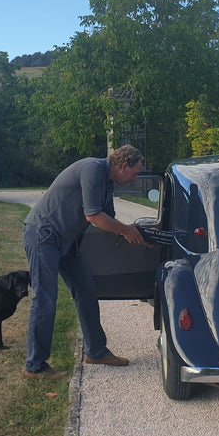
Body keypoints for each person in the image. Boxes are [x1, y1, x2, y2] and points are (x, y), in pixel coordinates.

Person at [22, 145, 147, 379]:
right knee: (45, 298)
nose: (134, 179)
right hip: (42, 235)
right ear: (123, 166)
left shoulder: (108, 183)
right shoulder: (93, 169)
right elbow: (93, 216)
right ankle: (34, 366)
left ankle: (96, 352)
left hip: (66, 242)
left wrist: (139, 235)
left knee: (87, 290)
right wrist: (125, 231)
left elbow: (110, 222)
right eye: (134, 173)